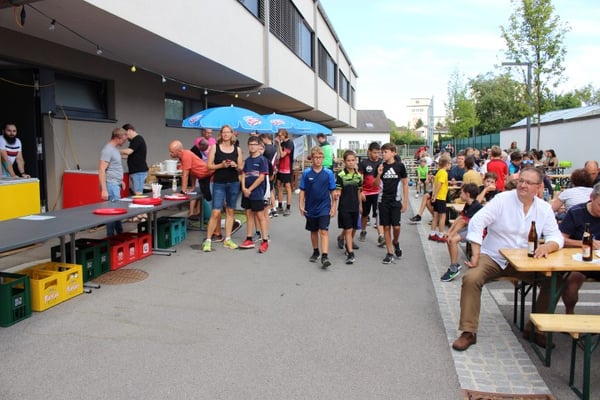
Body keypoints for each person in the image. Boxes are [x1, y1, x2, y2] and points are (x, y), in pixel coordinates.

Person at [452, 167, 564, 351]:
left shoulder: (544, 208)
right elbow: (478, 221)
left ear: (538, 187)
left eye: (528, 182)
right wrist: (476, 252)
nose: (523, 185)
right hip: (494, 256)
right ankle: (468, 331)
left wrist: (547, 246)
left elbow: (556, 236)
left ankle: (535, 329)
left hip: (527, 260)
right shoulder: (502, 199)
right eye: (521, 181)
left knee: (556, 281)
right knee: (471, 278)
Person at [559, 183, 600, 314]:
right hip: (579, 260)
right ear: (592, 198)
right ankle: (570, 314)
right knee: (572, 281)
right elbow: (560, 239)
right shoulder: (576, 212)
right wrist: (583, 243)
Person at [202, 125, 243, 252]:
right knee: (216, 212)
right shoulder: (215, 147)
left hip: (233, 182)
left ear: (232, 134)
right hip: (219, 183)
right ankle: (208, 240)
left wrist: (235, 165)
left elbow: (241, 168)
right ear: (221, 134)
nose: (226, 134)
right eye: (224, 132)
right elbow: (209, 166)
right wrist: (221, 165)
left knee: (230, 211)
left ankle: (228, 239)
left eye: (228, 132)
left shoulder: (237, 149)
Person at [298, 146, 336, 269]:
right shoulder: (306, 173)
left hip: (324, 206)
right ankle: (316, 251)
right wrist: (300, 205)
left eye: (320, 157)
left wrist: (334, 206)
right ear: (312, 158)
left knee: (323, 230)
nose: (318, 160)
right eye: (315, 157)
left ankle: (325, 256)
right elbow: (302, 190)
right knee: (313, 230)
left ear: (323, 158)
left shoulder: (328, 173)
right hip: (310, 207)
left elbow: (333, 191)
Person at [440, 183, 483, 282]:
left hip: (478, 231)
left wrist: (451, 234)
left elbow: (463, 222)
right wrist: (449, 231)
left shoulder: (475, 206)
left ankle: (453, 268)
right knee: (450, 239)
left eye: (462, 193)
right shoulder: (468, 204)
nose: (460, 195)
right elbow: (460, 218)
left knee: (453, 240)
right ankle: (454, 264)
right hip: (470, 228)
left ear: (467, 194)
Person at [376, 143, 408, 264]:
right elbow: (375, 184)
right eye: (382, 152)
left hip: (395, 200)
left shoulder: (400, 166)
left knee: (396, 226)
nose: (383, 154)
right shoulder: (381, 166)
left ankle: (396, 241)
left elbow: (405, 183)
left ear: (393, 152)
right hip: (383, 200)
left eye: (386, 152)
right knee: (386, 227)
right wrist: (379, 174)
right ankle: (389, 253)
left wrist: (405, 201)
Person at [239, 135, 270, 253]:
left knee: (260, 215)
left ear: (258, 146)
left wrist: (250, 189)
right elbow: (243, 174)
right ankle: (249, 238)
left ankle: (265, 240)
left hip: (257, 193)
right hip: (246, 193)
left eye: (254, 144)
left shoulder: (262, 160)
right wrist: (243, 188)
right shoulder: (247, 160)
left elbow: (261, 178)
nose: (252, 147)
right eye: (250, 144)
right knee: (248, 214)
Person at [334, 150, 363, 264]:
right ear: (344, 162)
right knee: (348, 229)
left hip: (355, 206)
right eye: (348, 160)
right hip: (344, 206)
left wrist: (360, 205)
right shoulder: (341, 175)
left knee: (353, 227)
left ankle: (342, 239)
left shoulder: (358, 176)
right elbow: (338, 190)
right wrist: (336, 196)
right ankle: (350, 253)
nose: (351, 162)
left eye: (353, 160)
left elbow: (359, 192)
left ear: (356, 161)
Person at [98, 127, 128, 236]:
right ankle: (110, 237)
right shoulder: (107, 150)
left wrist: (120, 180)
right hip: (111, 186)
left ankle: (119, 235)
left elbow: (114, 167)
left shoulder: (114, 149)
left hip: (115, 184)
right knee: (112, 212)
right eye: (123, 139)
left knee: (116, 211)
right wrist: (104, 189)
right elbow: (102, 169)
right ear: (117, 138)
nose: (124, 142)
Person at [358, 142, 384, 245]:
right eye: (374, 152)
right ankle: (363, 231)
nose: (377, 155)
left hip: (378, 193)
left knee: (378, 214)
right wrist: (361, 192)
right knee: (365, 214)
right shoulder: (363, 163)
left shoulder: (382, 163)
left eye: (378, 152)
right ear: (369, 152)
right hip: (366, 193)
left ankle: (381, 236)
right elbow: (359, 179)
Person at [119, 123, 148, 196]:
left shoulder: (137, 139)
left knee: (138, 193)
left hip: (139, 171)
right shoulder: (134, 141)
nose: (126, 138)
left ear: (129, 130)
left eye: (126, 134)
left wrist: (115, 150)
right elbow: (128, 156)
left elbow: (128, 151)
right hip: (136, 172)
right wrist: (117, 156)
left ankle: (140, 204)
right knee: (136, 192)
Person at [428, 157, 450, 242]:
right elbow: (439, 184)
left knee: (435, 216)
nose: (450, 165)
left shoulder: (439, 172)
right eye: (449, 164)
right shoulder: (444, 173)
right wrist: (435, 195)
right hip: (441, 197)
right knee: (442, 217)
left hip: (437, 197)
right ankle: (441, 234)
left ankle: (432, 233)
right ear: (446, 164)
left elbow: (435, 184)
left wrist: (434, 195)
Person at [275, 128, 294, 216]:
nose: (279, 137)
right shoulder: (282, 143)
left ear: (284, 134)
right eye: (278, 135)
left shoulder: (290, 143)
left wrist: (278, 144)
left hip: (287, 168)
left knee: (287, 187)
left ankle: (288, 208)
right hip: (281, 168)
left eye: (280, 135)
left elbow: (283, 154)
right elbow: (280, 156)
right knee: (279, 185)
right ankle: (280, 206)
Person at [260, 133, 279, 218]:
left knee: (266, 191)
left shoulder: (265, 149)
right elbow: (275, 161)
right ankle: (273, 208)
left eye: (262, 139)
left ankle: (268, 209)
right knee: (271, 190)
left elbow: (264, 161)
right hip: (273, 170)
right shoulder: (274, 148)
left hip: (266, 171)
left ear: (265, 138)